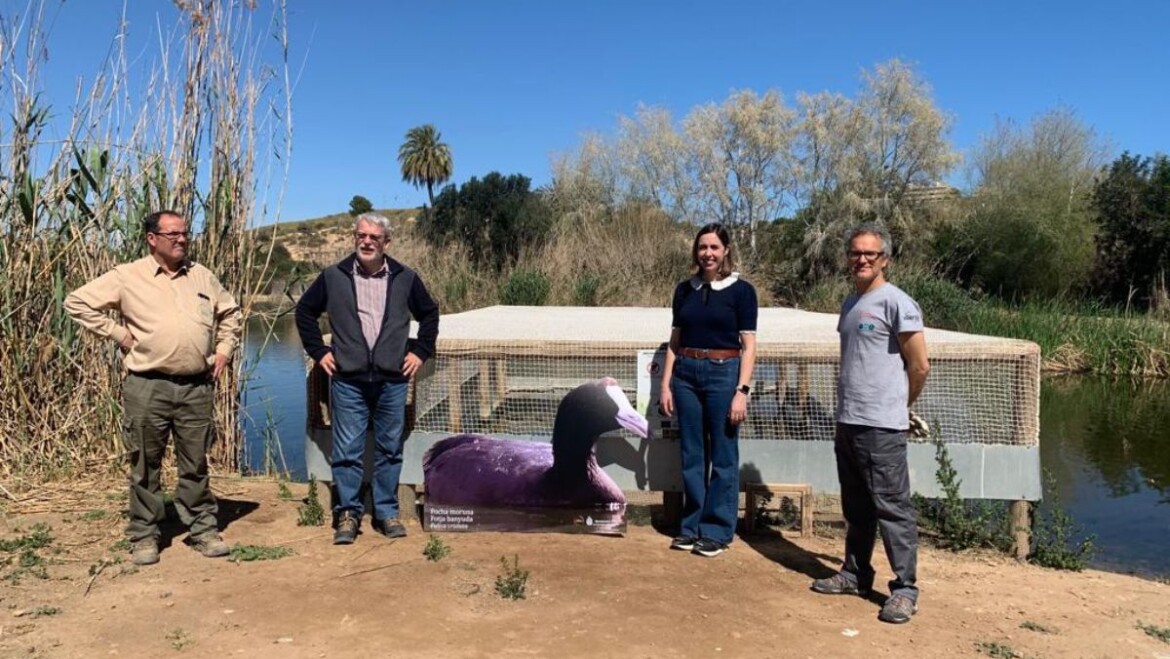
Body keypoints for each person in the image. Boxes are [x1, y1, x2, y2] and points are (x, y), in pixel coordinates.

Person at [64, 210, 242, 566]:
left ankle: (203, 530)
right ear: (152, 238)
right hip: (147, 386)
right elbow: (76, 302)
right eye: (172, 234)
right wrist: (118, 334)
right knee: (145, 464)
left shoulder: (202, 276)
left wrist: (223, 351)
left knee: (195, 463)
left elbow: (231, 314)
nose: (181, 239)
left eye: (184, 233)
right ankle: (145, 534)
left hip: (196, 387)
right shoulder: (127, 276)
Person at [811, 224, 930, 624]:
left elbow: (920, 364)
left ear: (885, 260)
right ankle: (855, 573)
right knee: (857, 507)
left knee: (892, 507)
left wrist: (900, 406)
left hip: (882, 427)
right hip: (848, 421)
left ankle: (905, 589)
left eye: (870, 254)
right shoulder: (849, 304)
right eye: (855, 253)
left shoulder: (898, 303)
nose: (861, 260)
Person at [295, 213, 439, 545]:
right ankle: (348, 514)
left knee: (390, 449)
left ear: (387, 242)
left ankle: (386, 512)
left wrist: (419, 351)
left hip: (392, 379)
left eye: (375, 237)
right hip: (347, 379)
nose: (367, 241)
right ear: (354, 238)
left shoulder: (405, 277)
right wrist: (319, 351)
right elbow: (304, 311)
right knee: (347, 450)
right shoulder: (334, 276)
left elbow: (429, 314)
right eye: (361, 235)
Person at [658, 223, 758, 558]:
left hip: (723, 373)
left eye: (714, 247)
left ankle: (717, 530)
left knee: (724, 455)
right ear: (696, 251)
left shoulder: (742, 291)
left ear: (726, 250)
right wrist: (666, 385)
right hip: (686, 374)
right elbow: (675, 342)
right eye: (703, 247)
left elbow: (749, 345)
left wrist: (741, 390)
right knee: (692, 454)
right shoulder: (683, 290)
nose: (708, 253)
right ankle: (691, 526)